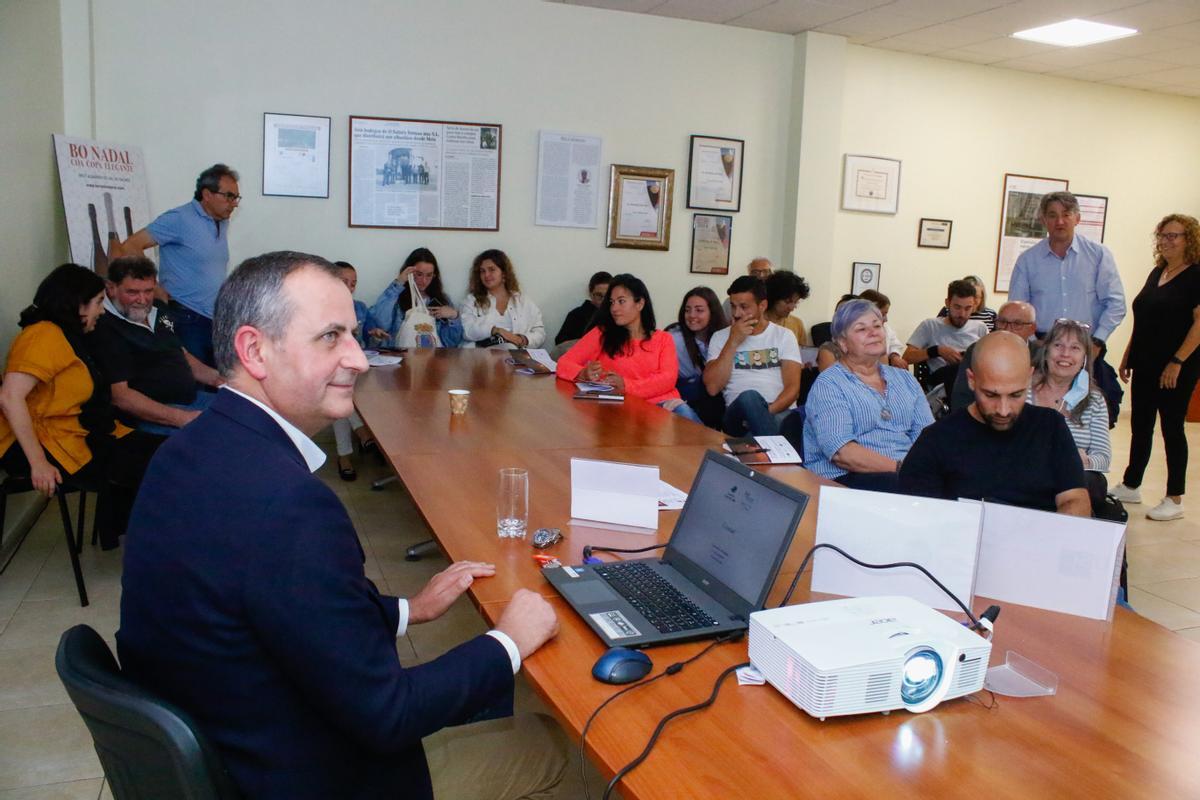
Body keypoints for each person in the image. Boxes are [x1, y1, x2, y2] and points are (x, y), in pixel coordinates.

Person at [116, 251, 566, 800]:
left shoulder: (188, 452)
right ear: (255, 350)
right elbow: (389, 714)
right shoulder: (290, 509)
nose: (356, 357)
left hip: (237, 742)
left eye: (352, 334)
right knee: (552, 748)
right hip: (309, 776)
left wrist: (408, 609)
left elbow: (284, 607)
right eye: (331, 337)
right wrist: (509, 642)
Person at [0, 264, 161, 549]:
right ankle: (143, 546)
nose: (101, 310)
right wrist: (38, 464)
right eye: (98, 302)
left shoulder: (68, 335)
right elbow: (10, 398)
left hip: (75, 432)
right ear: (76, 304)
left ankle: (137, 539)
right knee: (152, 465)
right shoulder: (42, 336)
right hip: (43, 444)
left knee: (166, 452)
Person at [900, 331, 1090, 516]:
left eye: (1016, 394)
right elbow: (920, 520)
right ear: (971, 380)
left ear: (1029, 377)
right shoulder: (936, 440)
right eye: (991, 395)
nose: (1003, 410)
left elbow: (1074, 499)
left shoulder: (1050, 426)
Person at [1111, 214, 1200, 521]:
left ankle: (1174, 499)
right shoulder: (1158, 272)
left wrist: (1177, 361)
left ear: (1190, 239)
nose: (1165, 241)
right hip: (1146, 362)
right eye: (1162, 235)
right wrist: (1127, 354)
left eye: (1173, 236)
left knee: (1172, 428)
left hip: (1176, 366)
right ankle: (1132, 483)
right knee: (1140, 424)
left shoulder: (1196, 275)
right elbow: (1144, 317)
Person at [1009, 191, 1126, 420]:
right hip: (1041, 349)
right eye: (1052, 215)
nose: (1060, 221)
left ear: (1078, 218)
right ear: (1043, 220)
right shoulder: (1028, 260)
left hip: (1088, 348)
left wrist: (1098, 342)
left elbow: (1116, 303)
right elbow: (1017, 309)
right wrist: (1034, 344)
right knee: (1038, 416)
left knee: (1086, 417)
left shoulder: (1099, 255)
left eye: (1066, 214)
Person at [115, 164, 241, 366]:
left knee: (215, 380)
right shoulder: (179, 219)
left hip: (213, 318)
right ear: (207, 194)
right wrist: (153, 287)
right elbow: (131, 245)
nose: (233, 203)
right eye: (229, 196)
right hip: (186, 317)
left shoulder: (221, 221)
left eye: (236, 198)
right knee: (192, 383)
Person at [803, 299, 933, 492]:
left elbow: (928, 438)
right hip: (845, 480)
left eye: (877, 326)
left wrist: (928, 470)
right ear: (843, 343)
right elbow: (843, 453)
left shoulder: (905, 380)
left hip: (905, 476)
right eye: (861, 329)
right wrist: (903, 470)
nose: (873, 332)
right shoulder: (829, 384)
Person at [90, 256, 223, 435]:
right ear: (111, 288)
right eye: (132, 292)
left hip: (192, 400)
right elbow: (121, 397)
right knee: (220, 437)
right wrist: (181, 418)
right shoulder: (105, 326)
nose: (142, 299)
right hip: (155, 414)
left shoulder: (159, 311)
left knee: (250, 416)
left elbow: (183, 356)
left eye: (148, 291)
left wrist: (222, 380)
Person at [557, 275, 701, 422]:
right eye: (612, 302)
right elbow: (563, 363)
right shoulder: (602, 333)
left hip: (663, 406)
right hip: (618, 410)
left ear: (640, 304)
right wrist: (582, 373)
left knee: (691, 424)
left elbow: (667, 380)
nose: (614, 308)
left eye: (621, 301)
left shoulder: (663, 338)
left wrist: (626, 385)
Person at [704, 275, 802, 442]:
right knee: (749, 397)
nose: (737, 313)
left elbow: (793, 389)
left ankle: (768, 453)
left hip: (778, 411)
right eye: (733, 306)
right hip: (737, 415)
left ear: (762, 305)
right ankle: (781, 457)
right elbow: (712, 387)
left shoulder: (783, 336)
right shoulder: (721, 338)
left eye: (744, 307)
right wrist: (733, 341)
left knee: (759, 433)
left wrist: (762, 414)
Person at [1028, 319, 1112, 510]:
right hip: (1027, 475)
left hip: (1072, 480)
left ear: (1084, 357)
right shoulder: (1022, 390)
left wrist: (1083, 461)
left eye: (1075, 348)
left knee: (1092, 483)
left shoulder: (1095, 400)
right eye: (1058, 345)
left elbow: (1103, 459)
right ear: (1046, 350)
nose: (1065, 354)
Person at [332, 261, 378, 480]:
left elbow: (368, 333)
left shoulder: (359, 307)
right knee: (338, 395)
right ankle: (362, 436)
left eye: (353, 283)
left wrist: (374, 332)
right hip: (333, 366)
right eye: (344, 282)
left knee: (344, 397)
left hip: (357, 365)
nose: (349, 287)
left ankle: (346, 454)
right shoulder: (321, 307)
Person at [950, 301, 1039, 411]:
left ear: (1032, 329)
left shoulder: (1040, 355)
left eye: (1017, 324)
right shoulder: (978, 350)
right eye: (1002, 322)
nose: (1007, 329)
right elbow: (961, 397)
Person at [903, 279, 988, 392]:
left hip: (973, 384)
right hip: (941, 385)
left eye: (968, 308)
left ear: (974, 306)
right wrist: (937, 351)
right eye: (957, 307)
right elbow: (907, 357)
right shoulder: (930, 326)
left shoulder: (980, 328)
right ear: (947, 303)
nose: (962, 314)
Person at [369, 247, 463, 348]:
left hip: (433, 360)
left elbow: (451, 343)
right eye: (419, 274)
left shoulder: (442, 300)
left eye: (429, 275)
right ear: (409, 272)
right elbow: (380, 322)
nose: (424, 280)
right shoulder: (397, 297)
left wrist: (454, 316)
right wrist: (399, 283)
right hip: (402, 358)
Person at [460, 249, 545, 349]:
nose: (486, 275)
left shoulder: (522, 300)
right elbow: (466, 331)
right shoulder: (471, 301)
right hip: (480, 357)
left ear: (504, 273)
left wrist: (522, 339)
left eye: (492, 269)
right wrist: (495, 330)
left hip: (516, 357)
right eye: (482, 271)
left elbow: (539, 332)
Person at [666, 287, 727, 426]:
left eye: (699, 310)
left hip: (719, 399)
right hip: (687, 395)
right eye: (687, 310)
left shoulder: (725, 337)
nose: (692, 315)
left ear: (713, 312)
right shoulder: (675, 338)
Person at [554, 270, 610, 345]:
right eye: (599, 295)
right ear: (590, 293)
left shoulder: (617, 315)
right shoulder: (576, 315)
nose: (603, 300)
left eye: (607, 296)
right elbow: (560, 343)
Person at [858, 289, 907, 369]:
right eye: (883, 314)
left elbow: (894, 344)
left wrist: (894, 356)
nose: (886, 319)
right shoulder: (853, 332)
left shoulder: (886, 329)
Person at [764, 271, 811, 346]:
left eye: (795, 302)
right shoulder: (756, 322)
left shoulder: (797, 324)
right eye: (787, 301)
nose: (792, 308)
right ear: (773, 298)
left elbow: (802, 354)